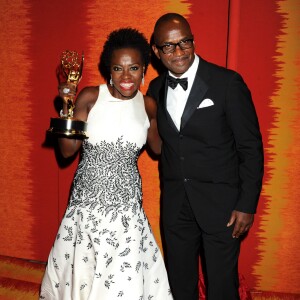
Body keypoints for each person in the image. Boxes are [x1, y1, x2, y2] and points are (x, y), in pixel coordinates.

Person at [40, 28, 173, 300]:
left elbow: (158, 149)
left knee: (124, 284)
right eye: (117, 68)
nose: (126, 77)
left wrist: (165, 116)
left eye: (134, 68)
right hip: (87, 209)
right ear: (108, 71)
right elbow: (67, 152)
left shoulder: (148, 105)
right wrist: (66, 106)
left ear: (144, 69)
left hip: (127, 211)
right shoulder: (90, 97)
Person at [147, 13, 264, 300]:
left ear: (193, 41)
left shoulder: (226, 83)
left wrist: (247, 204)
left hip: (223, 207)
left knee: (222, 288)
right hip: (176, 206)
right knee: (180, 284)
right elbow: (158, 144)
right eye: (169, 46)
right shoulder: (155, 89)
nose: (179, 52)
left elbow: (251, 147)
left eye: (185, 42)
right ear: (156, 52)